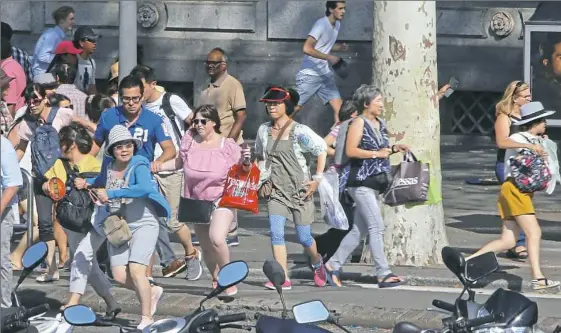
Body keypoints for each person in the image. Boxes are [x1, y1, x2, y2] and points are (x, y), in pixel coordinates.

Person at [76, 125, 168, 329]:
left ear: (133, 147)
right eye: (119, 147)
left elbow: (143, 188)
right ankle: (151, 292)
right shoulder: (109, 165)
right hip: (119, 226)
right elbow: (101, 181)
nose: (124, 149)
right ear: (111, 150)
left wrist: (112, 194)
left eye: (128, 145)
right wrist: (87, 183)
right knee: (118, 275)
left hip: (144, 222)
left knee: (137, 271)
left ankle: (146, 318)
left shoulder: (140, 163)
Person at [89, 75, 177, 286]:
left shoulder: (154, 119)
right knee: (116, 231)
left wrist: (157, 162)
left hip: (139, 184)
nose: (131, 103)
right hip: (112, 182)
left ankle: (147, 280)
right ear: (120, 97)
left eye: (135, 98)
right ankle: (137, 283)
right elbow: (95, 146)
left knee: (144, 234)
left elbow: (170, 149)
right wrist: (84, 169)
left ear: (143, 96)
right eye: (126, 98)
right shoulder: (109, 116)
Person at [468, 101, 559, 291]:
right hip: (516, 190)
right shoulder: (518, 137)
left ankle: (467, 261)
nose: (546, 124)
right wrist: (533, 147)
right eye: (544, 121)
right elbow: (508, 146)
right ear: (536, 122)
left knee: (508, 240)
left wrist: (542, 144)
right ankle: (538, 277)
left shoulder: (535, 140)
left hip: (517, 191)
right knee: (534, 233)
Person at [161, 105, 251, 294]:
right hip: (197, 201)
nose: (198, 125)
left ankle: (229, 278)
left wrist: (247, 163)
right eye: (195, 121)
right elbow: (178, 163)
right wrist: (157, 166)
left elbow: (244, 172)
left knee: (217, 238)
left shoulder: (227, 146)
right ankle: (216, 278)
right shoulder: (189, 141)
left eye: (203, 121)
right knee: (206, 246)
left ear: (214, 123)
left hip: (221, 198)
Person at [326, 84, 408, 288]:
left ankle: (331, 265)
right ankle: (383, 273)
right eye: (378, 100)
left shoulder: (379, 123)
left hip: (374, 183)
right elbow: (352, 150)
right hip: (359, 183)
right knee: (376, 227)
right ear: (366, 103)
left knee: (359, 230)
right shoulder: (358, 123)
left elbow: (380, 150)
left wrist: (393, 149)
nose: (381, 104)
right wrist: (376, 154)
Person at [131, 65, 201, 280]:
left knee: (172, 220)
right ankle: (155, 268)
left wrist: (192, 149)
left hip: (172, 168)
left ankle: (191, 253)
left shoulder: (171, 101)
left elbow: (195, 123)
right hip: (147, 170)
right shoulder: (137, 107)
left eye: (141, 88)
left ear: (152, 84)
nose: (138, 93)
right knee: (151, 218)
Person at [255, 85, 328, 289]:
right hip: (276, 191)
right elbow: (260, 156)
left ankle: (317, 262)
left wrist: (317, 179)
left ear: (286, 106)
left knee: (304, 237)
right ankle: (282, 278)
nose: (271, 107)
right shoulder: (263, 130)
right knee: (276, 233)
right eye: (269, 104)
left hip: (300, 191)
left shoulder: (300, 132)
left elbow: (321, 149)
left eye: (276, 103)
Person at [44, 123, 119, 319]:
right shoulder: (60, 164)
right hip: (75, 221)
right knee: (88, 262)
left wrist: (87, 184)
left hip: (98, 220)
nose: (59, 147)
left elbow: (107, 191)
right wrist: (47, 187)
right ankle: (112, 303)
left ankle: (73, 300)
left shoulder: (96, 165)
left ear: (71, 144)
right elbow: (48, 183)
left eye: (62, 143)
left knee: (80, 257)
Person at [9, 83, 74, 282]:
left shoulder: (61, 114)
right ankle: (51, 268)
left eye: (36, 100)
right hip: (41, 180)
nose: (32, 104)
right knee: (45, 224)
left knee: (73, 221)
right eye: (29, 101)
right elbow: (20, 149)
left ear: (45, 98)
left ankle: (82, 266)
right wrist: (8, 170)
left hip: (65, 177)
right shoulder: (27, 123)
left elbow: (82, 129)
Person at [199, 47, 247, 247]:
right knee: (208, 186)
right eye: (207, 63)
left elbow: (241, 115)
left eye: (214, 63)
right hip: (208, 145)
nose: (209, 66)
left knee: (228, 188)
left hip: (228, 144)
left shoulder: (232, 84)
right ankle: (209, 226)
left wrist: (229, 142)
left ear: (224, 65)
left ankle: (231, 231)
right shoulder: (206, 88)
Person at [494, 81, 545, 260]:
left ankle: (510, 240)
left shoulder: (527, 116)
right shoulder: (505, 116)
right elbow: (502, 142)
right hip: (507, 164)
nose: (529, 99)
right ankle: (519, 243)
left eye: (530, 95)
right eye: (526, 96)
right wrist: (526, 145)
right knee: (518, 202)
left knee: (519, 203)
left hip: (526, 165)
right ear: (515, 98)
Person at [295, 1, 348, 123]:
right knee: (293, 108)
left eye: (344, 8)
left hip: (324, 75)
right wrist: (330, 57)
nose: (343, 11)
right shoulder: (321, 24)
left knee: (341, 110)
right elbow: (307, 48)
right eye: (340, 8)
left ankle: (335, 141)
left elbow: (323, 46)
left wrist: (339, 47)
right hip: (310, 75)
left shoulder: (337, 25)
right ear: (331, 9)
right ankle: (273, 132)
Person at [1, 135, 23, 307]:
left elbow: (13, 184)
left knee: (1, 261)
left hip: (2, 209)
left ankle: (4, 306)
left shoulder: (4, 146)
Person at [31, 6, 75, 76]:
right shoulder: (52, 35)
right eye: (71, 19)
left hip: (48, 75)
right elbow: (42, 57)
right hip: (42, 76)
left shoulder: (58, 36)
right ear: (61, 20)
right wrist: (61, 60)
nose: (73, 22)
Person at [1, 37, 26, 114]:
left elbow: (9, 104)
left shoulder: (8, 70)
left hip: (12, 118)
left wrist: (8, 125)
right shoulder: (12, 65)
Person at [73, 27, 99, 94]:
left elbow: (92, 86)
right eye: (91, 40)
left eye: (95, 40)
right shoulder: (73, 60)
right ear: (81, 43)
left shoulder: (92, 62)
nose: (95, 43)